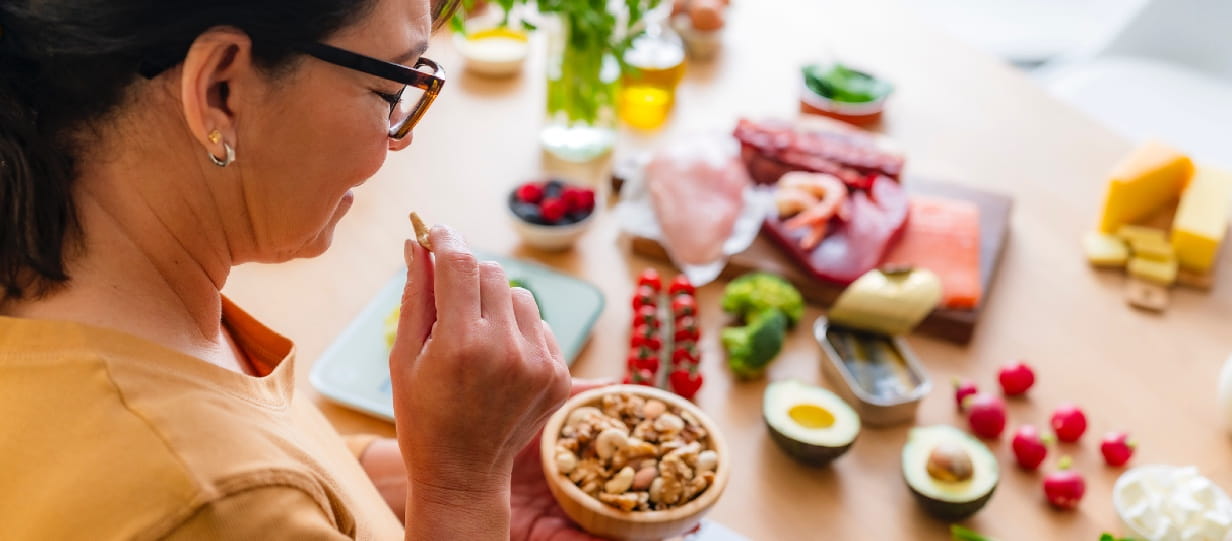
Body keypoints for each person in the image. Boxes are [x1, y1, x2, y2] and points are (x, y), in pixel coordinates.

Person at [0, 0, 603, 539]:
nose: (400, 140)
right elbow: (224, 496)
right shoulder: (208, 502)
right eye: (390, 91)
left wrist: (421, 469)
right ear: (220, 93)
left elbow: (262, 460)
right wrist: (464, 490)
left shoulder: (105, 281)